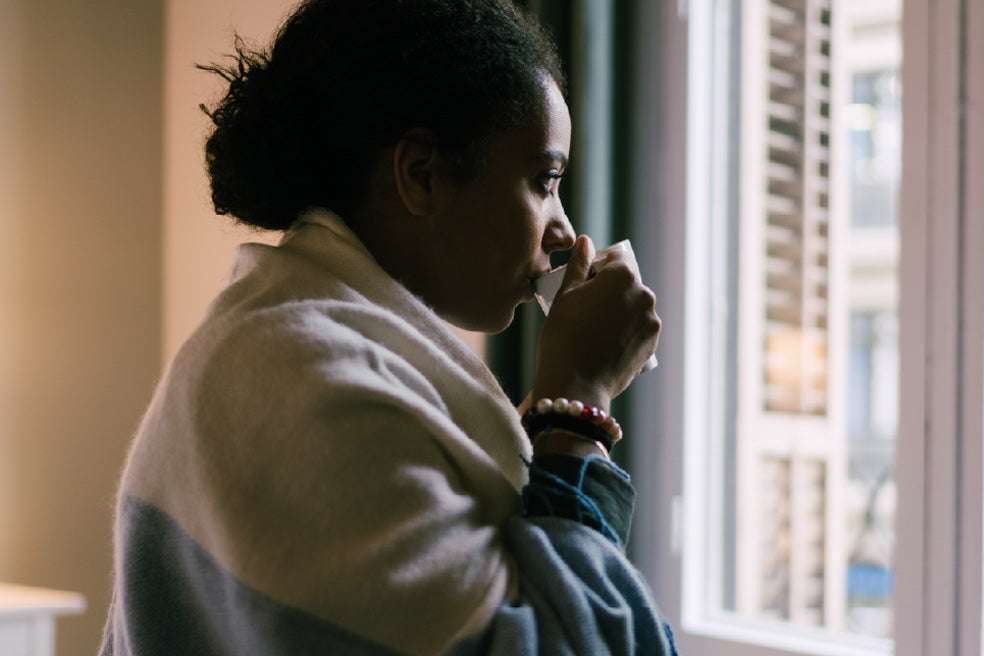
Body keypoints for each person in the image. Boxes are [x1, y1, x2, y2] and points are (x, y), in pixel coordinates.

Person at [99, 1, 673, 654]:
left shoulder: (281, 345)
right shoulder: (310, 387)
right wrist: (577, 403)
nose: (564, 230)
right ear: (421, 174)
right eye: (544, 180)